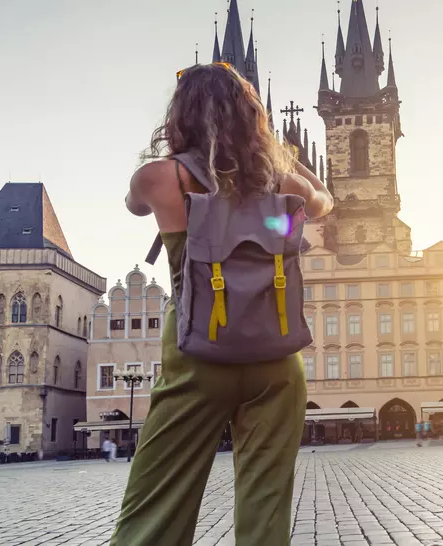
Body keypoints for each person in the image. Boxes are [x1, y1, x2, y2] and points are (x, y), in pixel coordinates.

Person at [110, 62, 333, 546]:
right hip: (276, 360)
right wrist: (283, 158)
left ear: (179, 117)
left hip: (196, 357)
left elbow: (131, 203)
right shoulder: (282, 187)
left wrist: (182, 155)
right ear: (252, 117)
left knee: (156, 507)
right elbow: (323, 201)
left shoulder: (159, 179)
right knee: (265, 509)